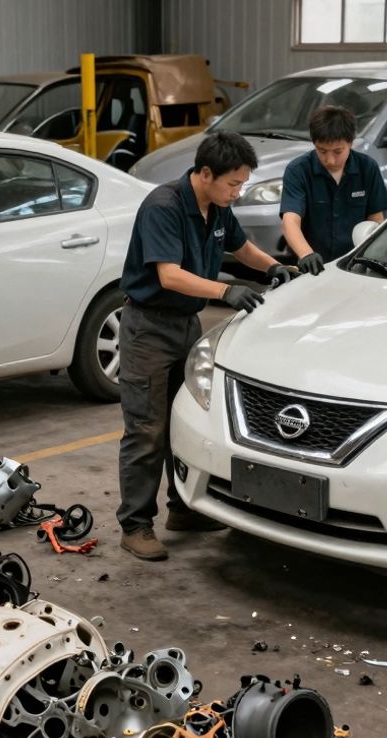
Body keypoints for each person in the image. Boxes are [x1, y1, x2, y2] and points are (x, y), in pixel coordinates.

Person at [116, 131, 300, 561]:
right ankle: (135, 525)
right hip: (148, 328)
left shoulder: (216, 208)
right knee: (147, 430)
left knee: (184, 421)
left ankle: (183, 509)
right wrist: (226, 290)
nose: (237, 193)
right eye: (233, 184)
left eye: (241, 185)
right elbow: (169, 275)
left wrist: (276, 268)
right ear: (204, 173)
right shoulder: (164, 207)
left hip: (185, 324)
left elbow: (243, 248)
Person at [279, 106, 387, 267]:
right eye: (322, 151)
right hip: (311, 265)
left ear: (351, 143)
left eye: (338, 151)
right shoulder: (298, 170)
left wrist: (369, 258)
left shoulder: (367, 168)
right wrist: (306, 254)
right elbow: (290, 220)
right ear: (314, 144)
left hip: (354, 264)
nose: (330, 160)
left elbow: (375, 219)